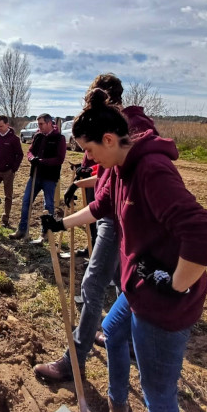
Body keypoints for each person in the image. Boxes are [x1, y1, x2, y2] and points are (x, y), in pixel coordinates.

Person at [41, 89, 207, 412]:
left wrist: (174, 283)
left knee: (160, 395)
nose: (88, 160)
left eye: (88, 150)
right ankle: (119, 405)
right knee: (112, 329)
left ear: (108, 139)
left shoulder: (152, 170)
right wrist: (59, 222)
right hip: (138, 291)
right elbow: (101, 206)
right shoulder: (118, 169)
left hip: (164, 305)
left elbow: (203, 235)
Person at [36, 74, 158, 381]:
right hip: (112, 212)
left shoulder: (129, 130)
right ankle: (126, 337)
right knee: (120, 282)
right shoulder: (120, 128)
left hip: (117, 219)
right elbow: (109, 180)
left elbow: (117, 188)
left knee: (92, 286)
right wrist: (80, 184)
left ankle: (73, 360)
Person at [9, 113, 66, 242]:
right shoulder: (38, 136)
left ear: (49, 123)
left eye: (41, 124)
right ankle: (22, 229)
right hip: (35, 175)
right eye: (38, 124)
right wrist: (31, 158)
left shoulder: (59, 138)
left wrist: (41, 161)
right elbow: (30, 151)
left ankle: (45, 232)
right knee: (26, 201)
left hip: (50, 177)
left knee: (48, 205)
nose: (39, 127)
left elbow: (59, 159)